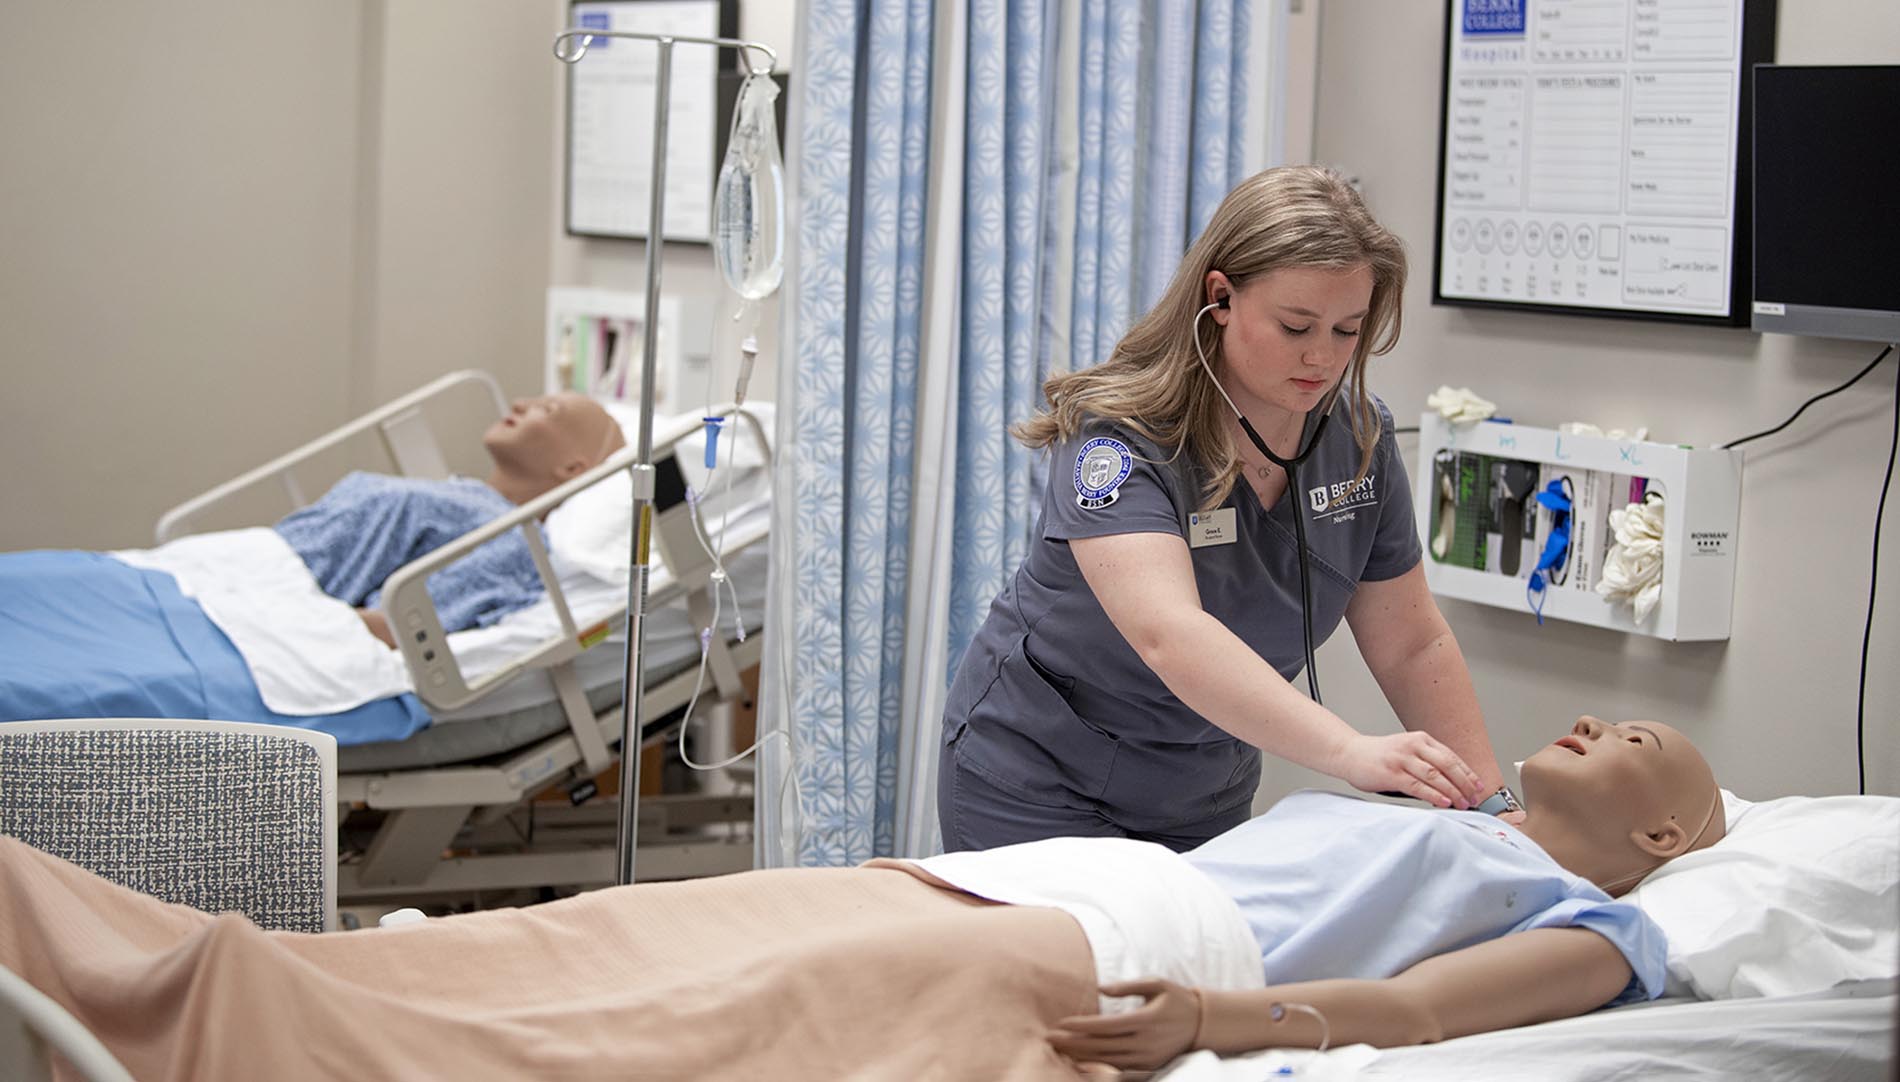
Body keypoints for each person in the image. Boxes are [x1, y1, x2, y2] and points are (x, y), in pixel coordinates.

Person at [0, 715, 1722, 1079]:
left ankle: (242, 1032)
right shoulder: (1433, 802)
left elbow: (1420, 1015)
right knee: (602, 936)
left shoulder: (1606, 922)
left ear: (1661, 838)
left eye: (1644, 737)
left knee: (692, 1025)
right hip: (1024, 877)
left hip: (1123, 957)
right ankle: (189, 968)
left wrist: (1222, 1025)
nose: (1598, 720)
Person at [940, 165, 1510, 854]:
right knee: (1063, 962)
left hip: (1199, 789)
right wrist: (1351, 751)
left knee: (1189, 963)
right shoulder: (1121, 437)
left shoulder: (1358, 441)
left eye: (1346, 330)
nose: (1321, 357)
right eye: (1296, 325)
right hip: (1038, 778)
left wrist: (1492, 805)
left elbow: (1411, 642)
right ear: (1220, 298)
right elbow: (1169, 635)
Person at [274, 391, 625, 644]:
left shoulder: (513, 541)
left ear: (572, 468)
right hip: (253, 571)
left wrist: (276, 621)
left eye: (547, 410)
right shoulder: (463, 495)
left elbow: (400, 627)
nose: (519, 403)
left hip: (271, 610)